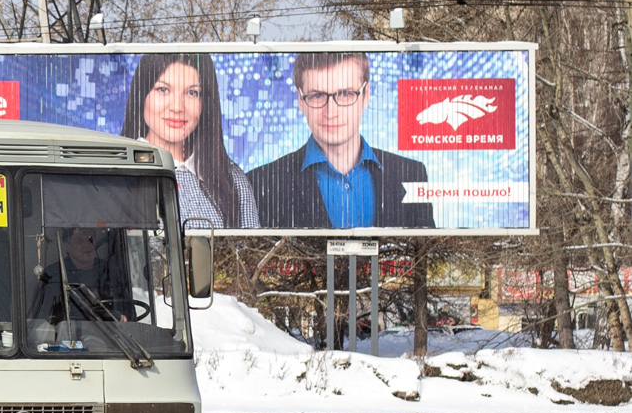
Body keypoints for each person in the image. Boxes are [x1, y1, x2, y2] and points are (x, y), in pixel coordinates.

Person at [250, 51, 435, 229]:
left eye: (345, 94)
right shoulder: (260, 184)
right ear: (300, 100)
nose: (331, 113)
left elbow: (426, 256)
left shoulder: (411, 174)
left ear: (366, 95)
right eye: (317, 96)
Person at [122, 53, 259, 228]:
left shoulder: (232, 180)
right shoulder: (114, 176)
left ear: (205, 103)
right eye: (163, 90)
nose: (178, 107)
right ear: (142, 95)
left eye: (193, 93)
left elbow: (252, 252)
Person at [31, 227, 129, 326]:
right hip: (68, 337)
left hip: (112, 338)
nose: (87, 245)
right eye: (80, 241)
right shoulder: (54, 275)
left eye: (90, 239)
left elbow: (128, 311)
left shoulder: (109, 271)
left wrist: (120, 317)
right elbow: (41, 320)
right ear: (67, 246)